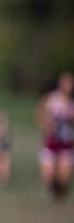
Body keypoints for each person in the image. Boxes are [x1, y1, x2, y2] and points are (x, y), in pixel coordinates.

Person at [36, 71, 74, 203]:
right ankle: (52, 194)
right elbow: (39, 116)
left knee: (64, 177)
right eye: (65, 82)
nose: (68, 85)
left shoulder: (71, 103)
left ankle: (61, 195)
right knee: (49, 175)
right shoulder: (50, 99)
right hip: (51, 141)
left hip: (67, 142)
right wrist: (48, 125)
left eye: (70, 82)